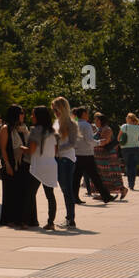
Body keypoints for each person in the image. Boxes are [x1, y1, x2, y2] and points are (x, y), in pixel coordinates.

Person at [25, 105, 61, 231]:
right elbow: (56, 151)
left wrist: (20, 148)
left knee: (29, 194)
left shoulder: (35, 131)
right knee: (50, 195)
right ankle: (51, 222)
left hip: (38, 166)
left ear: (38, 117)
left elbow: (31, 150)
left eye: (33, 114)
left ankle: (28, 221)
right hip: (51, 165)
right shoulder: (53, 132)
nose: (31, 117)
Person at [72, 106, 114, 204]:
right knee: (95, 176)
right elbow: (89, 140)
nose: (88, 115)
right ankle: (106, 196)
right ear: (83, 114)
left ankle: (74, 197)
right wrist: (100, 142)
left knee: (76, 177)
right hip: (86, 154)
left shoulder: (74, 124)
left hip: (77, 153)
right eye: (87, 113)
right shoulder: (86, 125)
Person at [52, 97, 80, 229]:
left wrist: (58, 149)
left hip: (67, 159)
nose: (54, 112)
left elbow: (72, 143)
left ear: (62, 108)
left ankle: (70, 218)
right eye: (53, 110)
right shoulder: (56, 123)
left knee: (67, 190)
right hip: (58, 159)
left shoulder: (71, 123)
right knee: (65, 190)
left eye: (56, 109)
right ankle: (70, 218)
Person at [0, 105, 25, 227]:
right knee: (10, 193)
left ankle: (19, 218)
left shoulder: (21, 129)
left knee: (20, 192)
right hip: (10, 163)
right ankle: (9, 219)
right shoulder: (5, 129)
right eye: (21, 113)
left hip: (21, 163)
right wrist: (7, 164)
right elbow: (3, 149)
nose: (23, 115)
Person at [93, 113, 128, 201]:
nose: (95, 121)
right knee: (102, 175)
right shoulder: (99, 129)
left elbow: (106, 141)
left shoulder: (107, 129)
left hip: (107, 157)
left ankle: (122, 189)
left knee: (110, 174)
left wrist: (92, 142)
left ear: (101, 121)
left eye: (96, 120)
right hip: (100, 157)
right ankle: (104, 194)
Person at [117, 113, 139, 191]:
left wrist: (121, 146)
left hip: (125, 149)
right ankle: (132, 184)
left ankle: (130, 182)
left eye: (127, 117)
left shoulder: (124, 126)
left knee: (128, 165)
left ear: (130, 118)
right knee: (133, 166)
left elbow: (118, 138)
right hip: (136, 148)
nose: (126, 118)